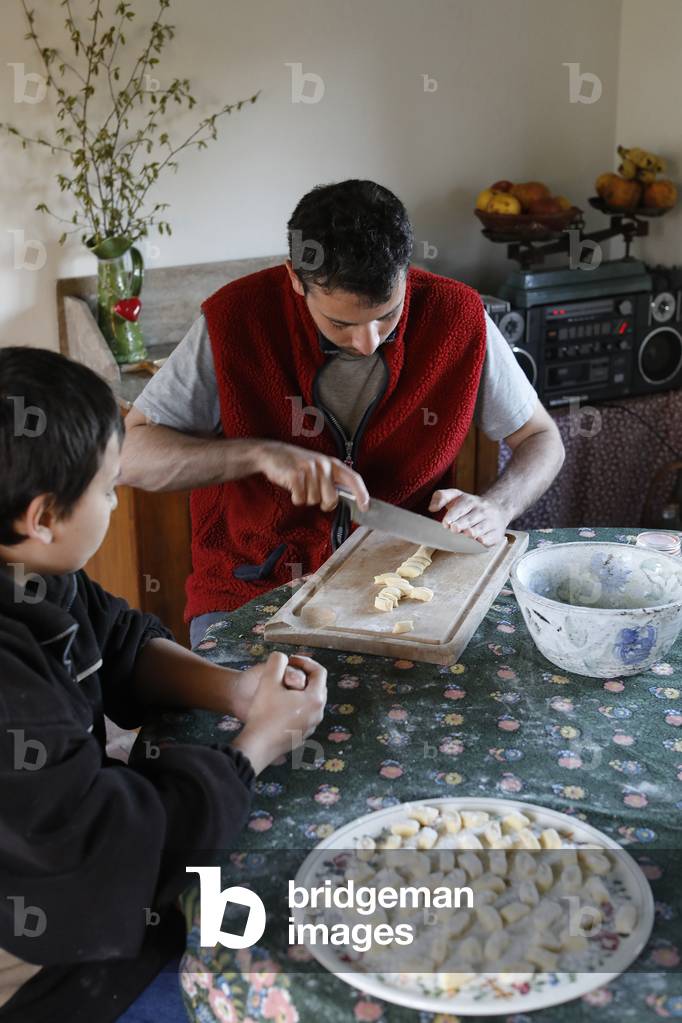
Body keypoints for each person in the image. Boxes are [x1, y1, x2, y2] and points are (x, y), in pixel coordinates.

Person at [0, 348, 327, 1022]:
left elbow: (115, 639)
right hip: (43, 965)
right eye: (108, 487)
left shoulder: (27, 564)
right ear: (42, 517)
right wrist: (255, 745)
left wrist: (237, 691)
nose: (117, 502)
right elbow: (107, 844)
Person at [122, 179, 565, 647]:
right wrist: (260, 456)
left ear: (406, 271)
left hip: (400, 584)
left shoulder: (459, 316)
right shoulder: (235, 320)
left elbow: (541, 437)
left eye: (388, 315)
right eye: (341, 323)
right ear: (295, 277)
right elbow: (130, 454)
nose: (368, 342)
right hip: (252, 586)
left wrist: (499, 506)